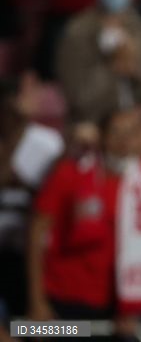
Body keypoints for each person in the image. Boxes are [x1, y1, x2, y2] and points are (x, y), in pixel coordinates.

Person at [29, 108, 141, 334]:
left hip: (123, 308)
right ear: (101, 136)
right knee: (26, 331)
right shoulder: (70, 173)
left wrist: (137, 307)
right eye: (116, 132)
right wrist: (36, 301)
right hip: (66, 300)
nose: (123, 141)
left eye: (131, 133)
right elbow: (36, 233)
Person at [0, 75, 63, 322]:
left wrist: (22, 183)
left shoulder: (47, 142)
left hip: (31, 253)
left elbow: (54, 200)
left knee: (46, 328)